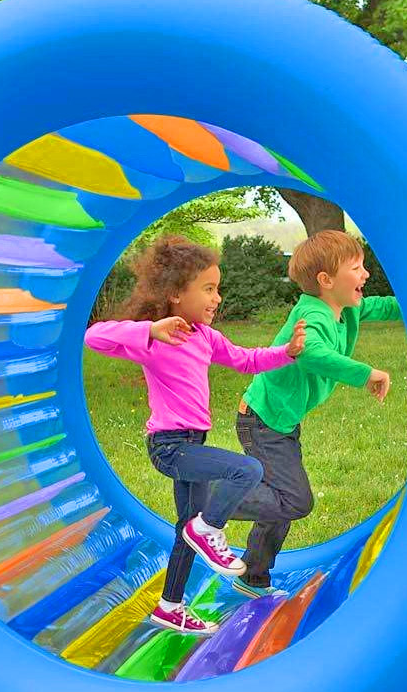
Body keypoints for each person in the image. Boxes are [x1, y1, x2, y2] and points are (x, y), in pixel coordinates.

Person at [85, 235, 306, 634]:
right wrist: (150, 330)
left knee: (183, 529)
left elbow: (246, 360)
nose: (217, 298)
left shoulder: (205, 337)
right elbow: (94, 337)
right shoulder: (156, 339)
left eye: (217, 289)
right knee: (248, 470)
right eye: (208, 289)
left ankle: (170, 606)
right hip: (170, 446)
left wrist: (286, 353)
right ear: (174, 294)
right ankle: (209, 527)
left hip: (193, 444)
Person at [230, 230, 402, 597]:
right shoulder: (312, 315)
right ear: (326, 281)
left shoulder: (344, 310)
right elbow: (310, 352)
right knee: (295, 500)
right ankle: (211, 500)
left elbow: (383, 306)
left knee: (281, 501)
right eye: (356, 268)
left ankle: (253, 576)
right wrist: (365, 373)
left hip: (280, 421)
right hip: (262, 421)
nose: (366, 274)